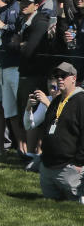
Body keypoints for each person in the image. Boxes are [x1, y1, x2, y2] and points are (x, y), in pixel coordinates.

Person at [37, 62, 84, 201]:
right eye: (57, 76)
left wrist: (79, 163)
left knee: (76, 202)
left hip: (69, 167)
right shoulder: (57, 101)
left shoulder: (81, 101)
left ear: (74, 78)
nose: (59, 79)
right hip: (48, 167)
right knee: (50, 202)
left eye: (63, 76)